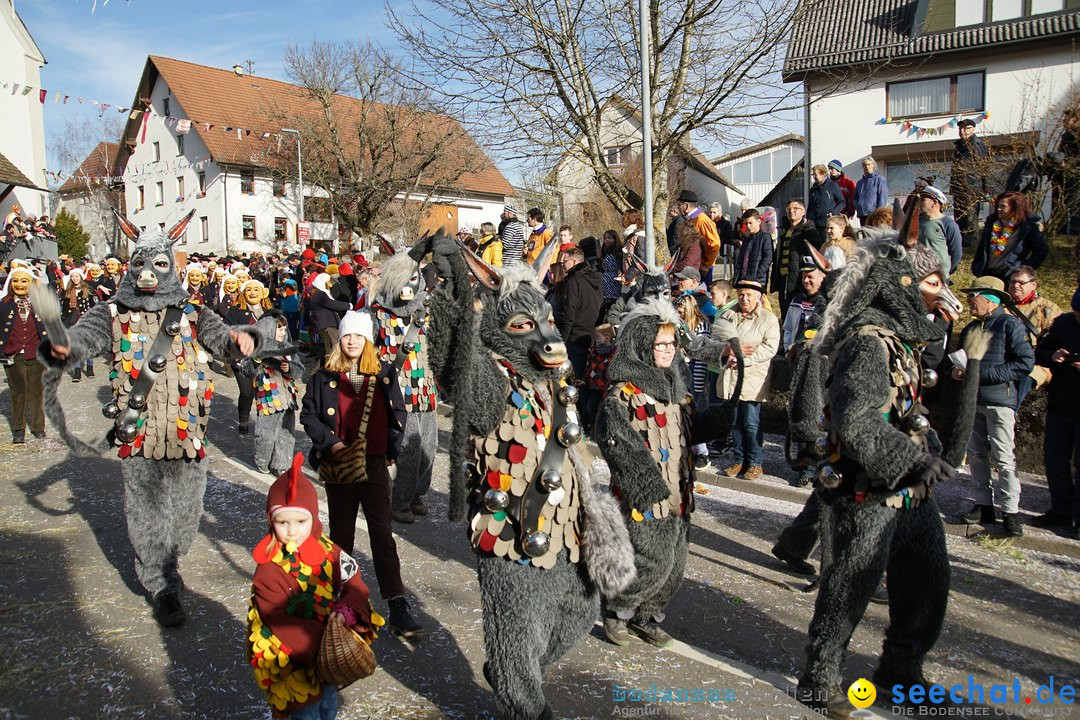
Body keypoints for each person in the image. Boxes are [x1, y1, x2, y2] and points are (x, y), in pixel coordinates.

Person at [299, 310, 422, 637]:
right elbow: (309, 416)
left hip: (373, 464)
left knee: (382, 534)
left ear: (367, 339)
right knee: (341, 536)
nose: (352, 340)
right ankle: (338, 600)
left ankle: (397, 605)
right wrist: (331, 444)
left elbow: (399, 413)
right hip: (340, 464)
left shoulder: (382, 373)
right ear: (339, 338)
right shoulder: (323, 374)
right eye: (347, 335)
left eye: (358, 335)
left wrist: (390, 453)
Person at [595, 301, 705, 648]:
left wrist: (726, 411)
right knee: (653, 560)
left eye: (672, 344)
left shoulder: (677, 390)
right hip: (646, 494)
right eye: (661, 344)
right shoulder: (624, 392)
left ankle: (647, 617)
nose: (668, 351)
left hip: (680, 491)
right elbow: (613, 439)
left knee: (674, 569)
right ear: (643, 346)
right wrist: (644, 483)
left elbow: (696, 432)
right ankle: (618, 610)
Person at [247, 454, 379, 719]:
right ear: (271, 522)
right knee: (305, 713)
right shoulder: (269, 569)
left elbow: (353, 581)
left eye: (301, 522)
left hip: (329, 659)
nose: (292, 531)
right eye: (282, 522)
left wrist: (346, 611)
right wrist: (321, 651)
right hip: (295, 664)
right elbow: (278, 618)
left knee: (329, 708)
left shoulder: (330, 552)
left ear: (314, 520)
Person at [953, 276, 1034, 537]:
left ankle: (1011, 511)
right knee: (976, 455)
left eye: (972, 295)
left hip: (999, 401)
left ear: (990, 299)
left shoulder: (1010, 325)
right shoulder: (971, 329)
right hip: (973, 399)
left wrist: (981, 374)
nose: (968, 300)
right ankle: (983, 504)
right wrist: (958, 372)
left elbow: (1024, 363)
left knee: (1003, 457)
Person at [1030, 286, 1080, 539]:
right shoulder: (1063, 323)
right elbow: (1040, 352)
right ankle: (1060, 509)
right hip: (1062, 401)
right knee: (1054, 459)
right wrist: (1055, 355)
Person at [719, 280, 779, 480]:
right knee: (734, 421)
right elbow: (716, 338)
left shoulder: (767, 319)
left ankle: (755, 463)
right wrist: (727, 353)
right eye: (741, 294)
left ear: (758, 297)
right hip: (730, 376)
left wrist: (745, 358)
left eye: (749, 295)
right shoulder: (728, 315)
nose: (744, 299)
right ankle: (739, 460)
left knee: (751, 422)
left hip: (752, 376)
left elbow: (769, 347)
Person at [245, 311, 304, 476]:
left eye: (284, 330)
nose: (283, 333)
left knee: (287, 431)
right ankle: (262, 459)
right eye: (279, 329)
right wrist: (256, 360)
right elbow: (246, 370)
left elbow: (300, 369)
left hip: (287, 395)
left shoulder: (287, 348)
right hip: (268, 395)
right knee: (266, 431)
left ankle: (281, 463)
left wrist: (290, 368)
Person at [0, 265, 46, 443]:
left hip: (36, 353)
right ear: (11, 283)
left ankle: (37, 426)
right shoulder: (4, 305)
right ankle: (19, 429)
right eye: (16, 281)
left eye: (24, 280)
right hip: (13, 354)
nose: (19, 284)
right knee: (18, 392)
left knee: (36, 391)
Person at [225, 279, 274, 435]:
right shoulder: (236, 311)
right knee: (247, 392)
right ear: (243, 293)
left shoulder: (270, 312)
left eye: (256, 290)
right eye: (248, 290)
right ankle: (244, 419)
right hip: (242, 359)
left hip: (264, 360)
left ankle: (263, 423)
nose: (252, 293)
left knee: (264, 392)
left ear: (263, 293)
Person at [1008, 266, 1061, 404]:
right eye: (1013, 282)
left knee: (1025, 378)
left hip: (1037, 362)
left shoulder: (1048, 308)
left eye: (1021, 282)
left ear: (1033, 285)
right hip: (1006, 359)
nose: (1016, 285)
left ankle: (1011, 413)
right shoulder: (1000, 306)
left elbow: (1056, 339)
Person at [971, 191, 1049, 280]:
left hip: (1009, 276)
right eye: (998, 206)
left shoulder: (1026, 226)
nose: (998, 209)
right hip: (986, 274)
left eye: (1003, 206)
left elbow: (1042, 250)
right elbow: (982, 248)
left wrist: (1022, 270)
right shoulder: (992, 222)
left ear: (1015, 208)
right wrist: (976, 266)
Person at [553, 245, 603, 380]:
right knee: (583, 378)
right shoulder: (595, 279)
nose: (562, 265)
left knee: (570, 381)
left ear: (574, 262)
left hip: (574, 339)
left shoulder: (574, 281)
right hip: (589, 335)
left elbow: (568, 314)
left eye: (565, 262)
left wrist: (562, 341)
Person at [676, 293, 713, 469]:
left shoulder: (701, 326)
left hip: (694, 372)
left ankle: (703, 452)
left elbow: (701, 357)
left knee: (695, 414)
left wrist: (697, 383)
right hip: (681, 372)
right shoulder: (679, 326)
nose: (679, 314)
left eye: (682, 311)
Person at [772, 199, 822, 321]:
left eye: (796, 209)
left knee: (799, 315)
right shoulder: (785, 233)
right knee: (785, 315)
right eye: (789, 209)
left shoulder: (809, 232)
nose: (792, 212)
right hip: (784, 281)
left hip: (799, 282)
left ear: (803, 212)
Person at [951, 118, 990, 242]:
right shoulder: (960, 146)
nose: (962, 131)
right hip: (959, 187)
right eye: (960, 128)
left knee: (970, 216)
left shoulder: (977, 144)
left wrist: (984, 187)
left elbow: (983, 167)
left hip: (971, 186)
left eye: (966, 128)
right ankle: (961, 242)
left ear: (973, 129)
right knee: (959, 216)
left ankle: (971, 243)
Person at [307, 272, 353, 366]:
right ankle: (328, 369)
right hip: (327, 325)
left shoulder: (318, 293)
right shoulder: (320, 294)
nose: (329, 285)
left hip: (325, 325)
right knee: (331, 350)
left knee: (328, 350)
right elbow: (333, 304)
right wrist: (349, 305)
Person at [60, 268, 97, 382]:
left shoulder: (88, 290)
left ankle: (89, 366)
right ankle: (77, 370)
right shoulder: (67, 291)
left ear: (81, 277)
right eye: (73, 276)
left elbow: (95, 305)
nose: (75, 279)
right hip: (72, 321)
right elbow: (63, 309)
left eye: (77, 276)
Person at [676, 190, 720, 280]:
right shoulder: (691, 219)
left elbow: (715, 243)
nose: (678, 208)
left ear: (686, 206)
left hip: (702, 267)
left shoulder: (701, 219)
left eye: (679, 205)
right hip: (694, 265)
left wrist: (706, 265)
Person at [582, 323, 615, 434]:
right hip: (594, 385)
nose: (596, 340)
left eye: (598, 338)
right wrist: (584, 379)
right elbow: (588, 366)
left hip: (605, 386)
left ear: (607, 338)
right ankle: (593, 427)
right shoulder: (593, 351)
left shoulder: (613, 353)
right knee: (590, 407)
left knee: (603, 409)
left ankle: (601, 429)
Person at [917, 186, 953, 277]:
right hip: (919, 274)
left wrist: (946, 270)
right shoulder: (916, 222)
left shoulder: (947, 224)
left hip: (939, 276)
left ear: (934, 202)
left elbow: (956, 252)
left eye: (923, 199)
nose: (919, 202)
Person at [733, 208, 772, 285]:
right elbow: (740, 260)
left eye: (750, 223)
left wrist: (758, 275)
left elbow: (768, 257)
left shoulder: (765, 237)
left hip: (758, 280)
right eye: (746, 223)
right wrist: (737, 278)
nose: (748, 226)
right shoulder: (746, 240)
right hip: (744, 278)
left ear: (758, 221)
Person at [807, 164, 845, 237]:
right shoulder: (813, 189)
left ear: (823, 174)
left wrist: (833, 212)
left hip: (827, 223)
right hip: (815, 224)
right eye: (813, 175)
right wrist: (809, 219)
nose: (814, 177)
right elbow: (810, 206)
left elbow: (842, 202)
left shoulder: (832, 185)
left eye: (815, 174)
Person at [853, 156, 888, 222]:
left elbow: (882, 198)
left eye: (869, 164)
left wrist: (879, 213)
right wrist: (858, 205)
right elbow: (855, 198)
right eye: (865, 165)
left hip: (874, 214)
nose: (867, 166)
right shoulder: (860, 183)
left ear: (873, 166)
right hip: (862, 214)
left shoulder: (880, 180)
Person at [523, 207, 555, 277]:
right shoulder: (533, 234)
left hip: (541, 271)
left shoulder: (546, 233)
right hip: (531, 270)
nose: (526, 220)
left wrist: (548, 269)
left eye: (528, 219)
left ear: (534, 220)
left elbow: (553, 252)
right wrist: (525, 253)